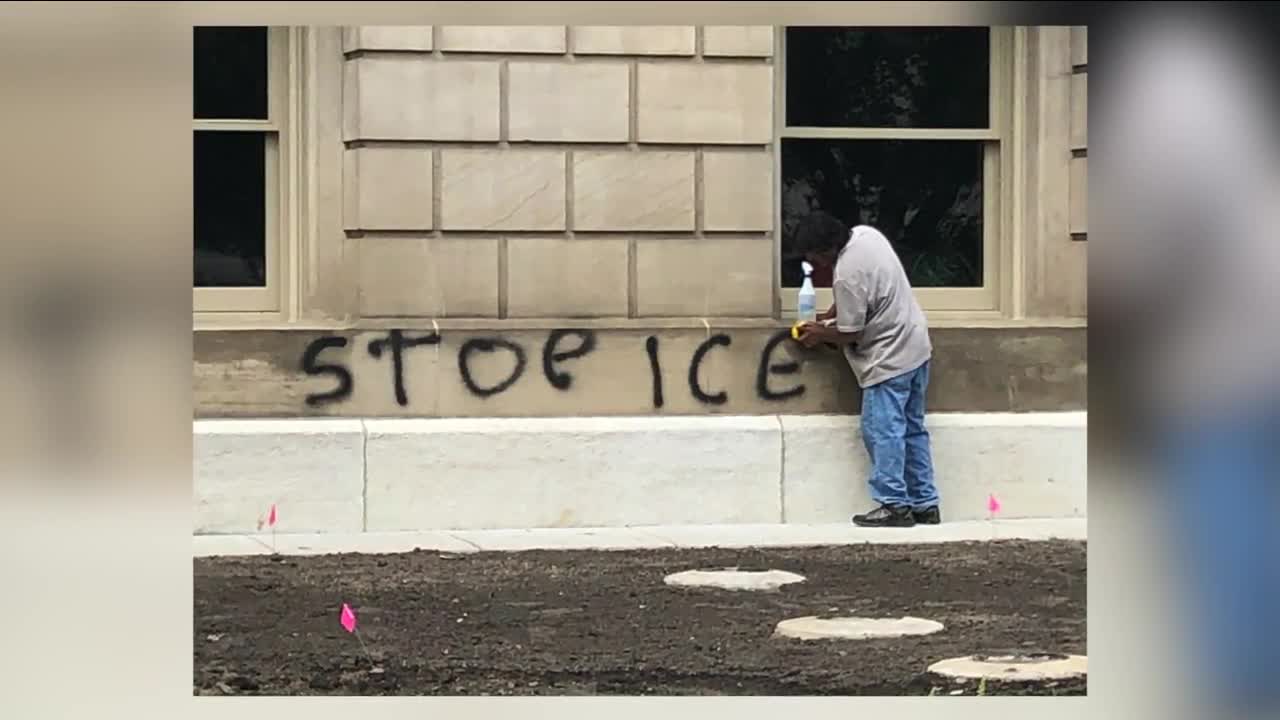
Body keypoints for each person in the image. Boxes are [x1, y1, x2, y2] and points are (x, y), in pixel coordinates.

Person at [795, 223, 939, 527]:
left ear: (828, 249)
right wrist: (831, 315)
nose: (819, 264)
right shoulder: (867, 235)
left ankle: (894, 505)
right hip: (916, 345)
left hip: (888, 358)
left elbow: (851, 332)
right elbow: (860, 299)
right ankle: (926, 503)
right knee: (913, 430)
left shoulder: (847, 273)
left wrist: (820, 333)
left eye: (817, 257)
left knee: (882, 432)